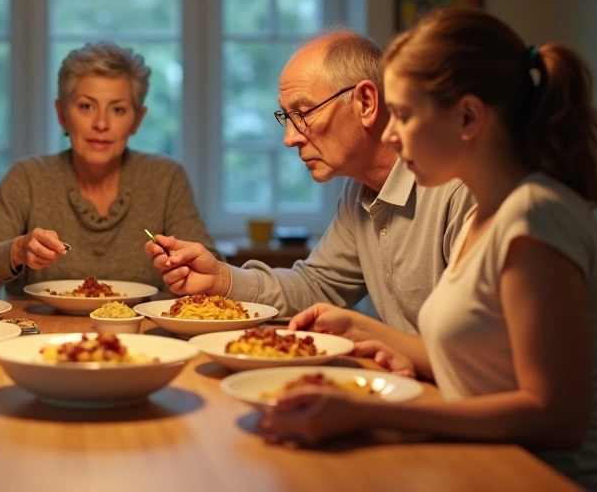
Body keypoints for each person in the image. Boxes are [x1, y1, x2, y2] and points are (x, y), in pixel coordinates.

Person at [263, 8, 597, 491]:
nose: (392, 134)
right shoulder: (487, 212)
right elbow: (491, 365)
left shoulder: (536, 220)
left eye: (407, 115)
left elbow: (557, 418)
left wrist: (372, 412)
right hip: (476, 464)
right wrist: (380, 341)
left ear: (468, 117)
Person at [145, 29, 475, 332]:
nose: (290, 138)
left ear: (366, 103)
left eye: (303, 113)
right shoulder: (356, 193)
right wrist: (221, 279)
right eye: (287, 118)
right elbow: (316, 286)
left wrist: (369, 335)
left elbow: (478, 351)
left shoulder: (459, 189)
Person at [0, 41, 217, 291]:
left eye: (118, 110)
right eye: (86, 106)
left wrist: (184, 269)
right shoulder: (28, 177)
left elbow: (212, 268)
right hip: (41, 340)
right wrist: (16, 251)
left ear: (137, 120)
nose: (101, 123)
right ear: (62, 114)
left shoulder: (165, 179)